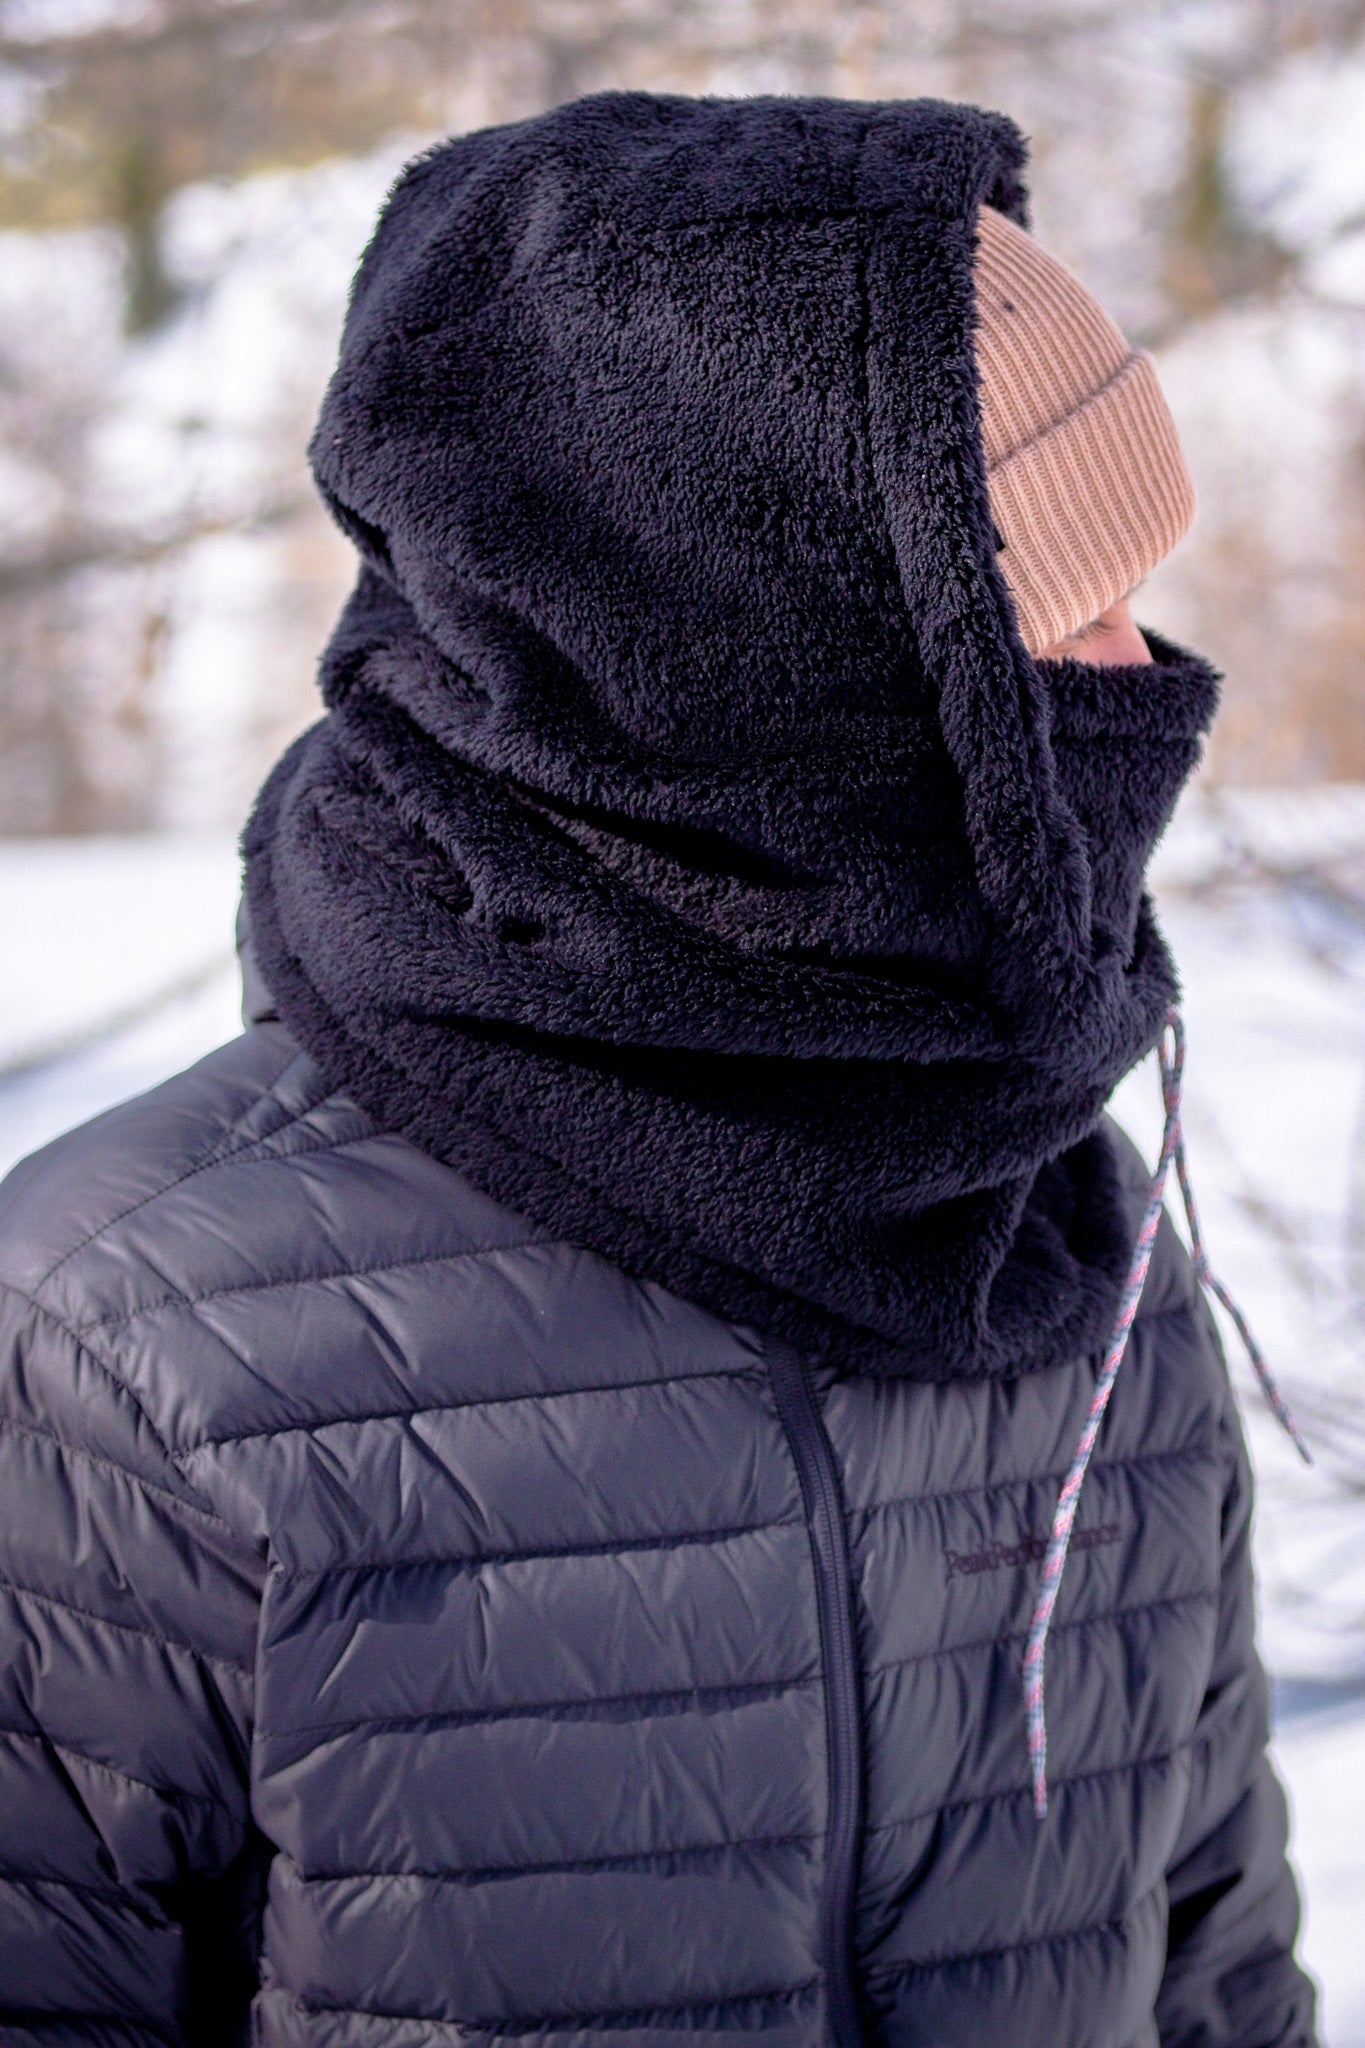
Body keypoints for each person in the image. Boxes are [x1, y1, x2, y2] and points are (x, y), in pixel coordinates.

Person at [0, 91, 1318, 2048]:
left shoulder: (1067, 1249)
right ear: (765, 664)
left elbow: (1212, 1978)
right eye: (1049, 625)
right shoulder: (127, 1344)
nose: (1144, 682)